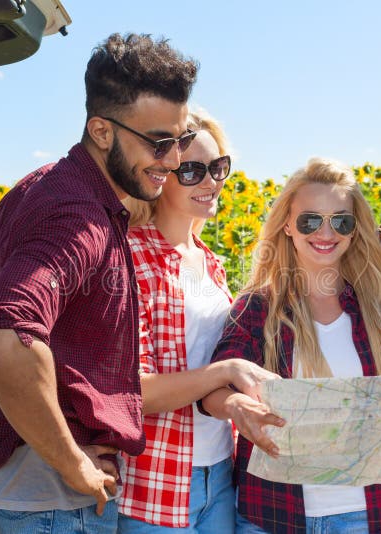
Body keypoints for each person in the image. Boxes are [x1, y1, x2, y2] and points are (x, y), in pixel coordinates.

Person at [0, 33, 198, 533]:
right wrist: (69, 460)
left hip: (15, 487)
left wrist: (1, 406)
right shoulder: (76, 218)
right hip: (51, 504)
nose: (173, 158)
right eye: (159, 142)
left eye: (182, 138)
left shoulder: (44, 183)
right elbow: (4, 341)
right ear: (101, 130)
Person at [201, 158, 381, 534]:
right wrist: (234, 405)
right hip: (272, 515)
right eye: (310, 220)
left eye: (341, 220)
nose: (326, 232)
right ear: (288, 225)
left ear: (354, 231)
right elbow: (212, 391)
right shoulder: (257, 309)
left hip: (366, 516)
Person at [117, 110, 278, 532]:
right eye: (191, 171)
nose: (210, 182)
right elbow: (135, 392)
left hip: (220, 471)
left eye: (217, 167)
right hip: (156, 482)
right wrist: (225, 371)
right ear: (160, 175)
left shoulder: (209, 262)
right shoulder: (131, 257)